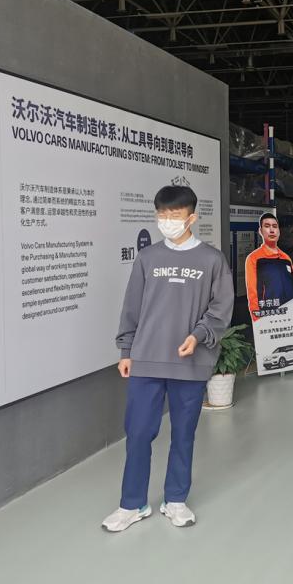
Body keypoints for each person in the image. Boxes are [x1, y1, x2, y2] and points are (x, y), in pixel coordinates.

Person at [102, 185, 234, 533]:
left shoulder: (212, 260)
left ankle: (175, 499)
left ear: (192, 218)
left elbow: (221, 309)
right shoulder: (148, 258)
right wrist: (126, 350)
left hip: (190, 362)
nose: (166, 221)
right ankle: (132, 504)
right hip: (146, 359)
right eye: (161, 215)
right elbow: (132, 306)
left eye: (174, 215)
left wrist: (198, 335)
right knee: (138, 432)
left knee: (183, 434)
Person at [244, 213, 293, 320]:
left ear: (279, 231)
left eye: (274, 226)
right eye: (267, 226)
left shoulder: (286, 258)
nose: (272, 230)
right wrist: (258, 323)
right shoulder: (254, 258)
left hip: (290, 319)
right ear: (260, 231)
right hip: (268, 320)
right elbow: (253, 295)